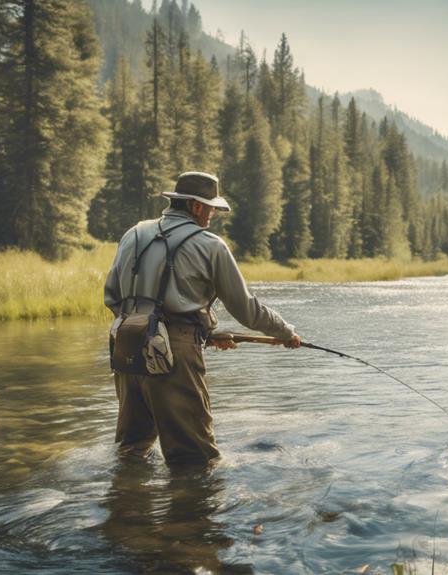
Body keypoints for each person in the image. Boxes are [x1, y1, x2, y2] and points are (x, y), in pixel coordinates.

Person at [103, 171, 301, 466]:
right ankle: (191, 510)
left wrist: (207, 331)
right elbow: (247, 309)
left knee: (132, 451)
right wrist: (285, 332)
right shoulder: (210, 245)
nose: (212, 216)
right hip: (174, 357)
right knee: (194, 458)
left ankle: (127, 505)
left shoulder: (133, 234)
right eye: (211, 209)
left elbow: (112, 296)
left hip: (126, 347)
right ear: (196, 207)